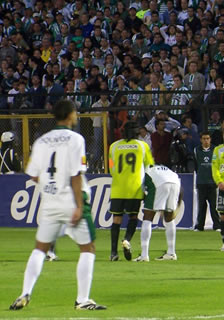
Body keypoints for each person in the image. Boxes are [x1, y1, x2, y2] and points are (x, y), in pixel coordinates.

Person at [10, 100, 106, 310]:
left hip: (49, 203)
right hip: (71, 201)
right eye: (76, 112)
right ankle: (82, 300)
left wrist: (49, 185)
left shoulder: (41, 141)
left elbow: (34, 175)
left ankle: (24, 292)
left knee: (40, 249)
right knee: (88, 248)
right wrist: (79, 206)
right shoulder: (76, 139)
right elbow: (75, 175)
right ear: (70, 115)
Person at [108, 121, 154, 261]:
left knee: (116, 219)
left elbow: (111, 168)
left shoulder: (113, 146)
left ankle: (113, 253)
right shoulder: (143, 146)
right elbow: (150, 167)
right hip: (135, 188)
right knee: (133, 217)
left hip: (117, 188)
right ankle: (127, 240)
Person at [133, 165, 182, 262]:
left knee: (148, 217)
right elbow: (181, 190)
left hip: (159, 184)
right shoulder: (164, 169)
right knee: (169, 218)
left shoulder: (144, 172)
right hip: (176, 183)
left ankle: (144, 255)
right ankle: (171, 253)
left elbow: (141, 191)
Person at [194, 132, 220, 231]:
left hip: (212, 181)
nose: (206, 141)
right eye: (204, 139)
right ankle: (200, 226)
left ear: (210, 139)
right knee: (201, 206)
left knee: (214, 205)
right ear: (201, 140)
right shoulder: (196, 150)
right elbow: (196, 166)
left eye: (207, 138)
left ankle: (217, 225)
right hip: (201, 181)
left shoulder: (215, 150)